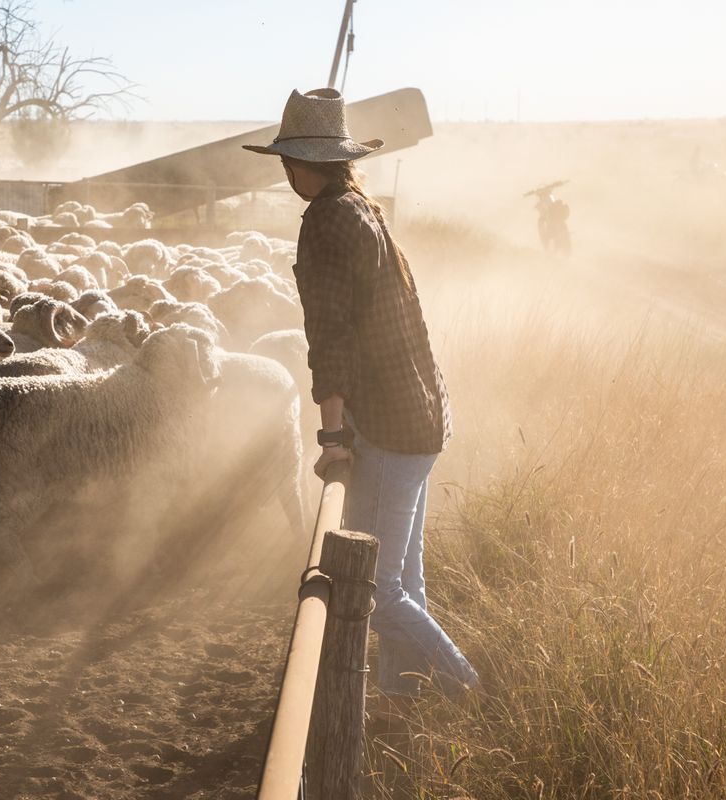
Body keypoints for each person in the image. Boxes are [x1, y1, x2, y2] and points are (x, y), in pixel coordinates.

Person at [244, 88, 479, 699]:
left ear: (301, 164)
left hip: (390, 425)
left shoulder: (324, 221)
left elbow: (331, 336)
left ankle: (474, 690)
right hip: (423, 412)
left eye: (285, 164)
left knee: (376, 589)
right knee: (406, 579)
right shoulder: (363, 207)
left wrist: (331, 435)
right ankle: (408, 699)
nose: (285, 174)